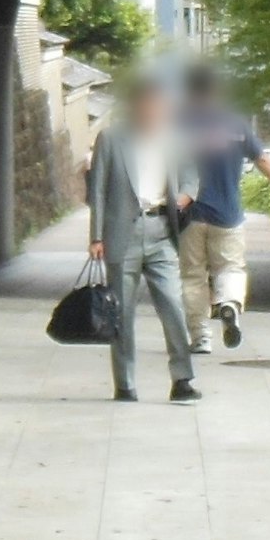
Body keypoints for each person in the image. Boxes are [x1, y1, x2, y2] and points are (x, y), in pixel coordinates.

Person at [84, 68, 199, 404]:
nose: (153, 110)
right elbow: (99, 190)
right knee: (122, 313)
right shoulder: (111, 138)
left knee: (173, 306)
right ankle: (125, 382)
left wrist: (185, 197)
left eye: (159, 104)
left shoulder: (175, 138)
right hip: (124, 233)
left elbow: (192, 176)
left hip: (162, 230)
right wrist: (96, 237)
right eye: (147, 104)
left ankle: (182, 378)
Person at [176, 62, 270, 351]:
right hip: (228, 213)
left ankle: (200, 338)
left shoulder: (180, 123)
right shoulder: (235, 124)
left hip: (189, 214)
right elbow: (263, 160)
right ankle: (229, 303)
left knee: (192, 276)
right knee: (230, 267)